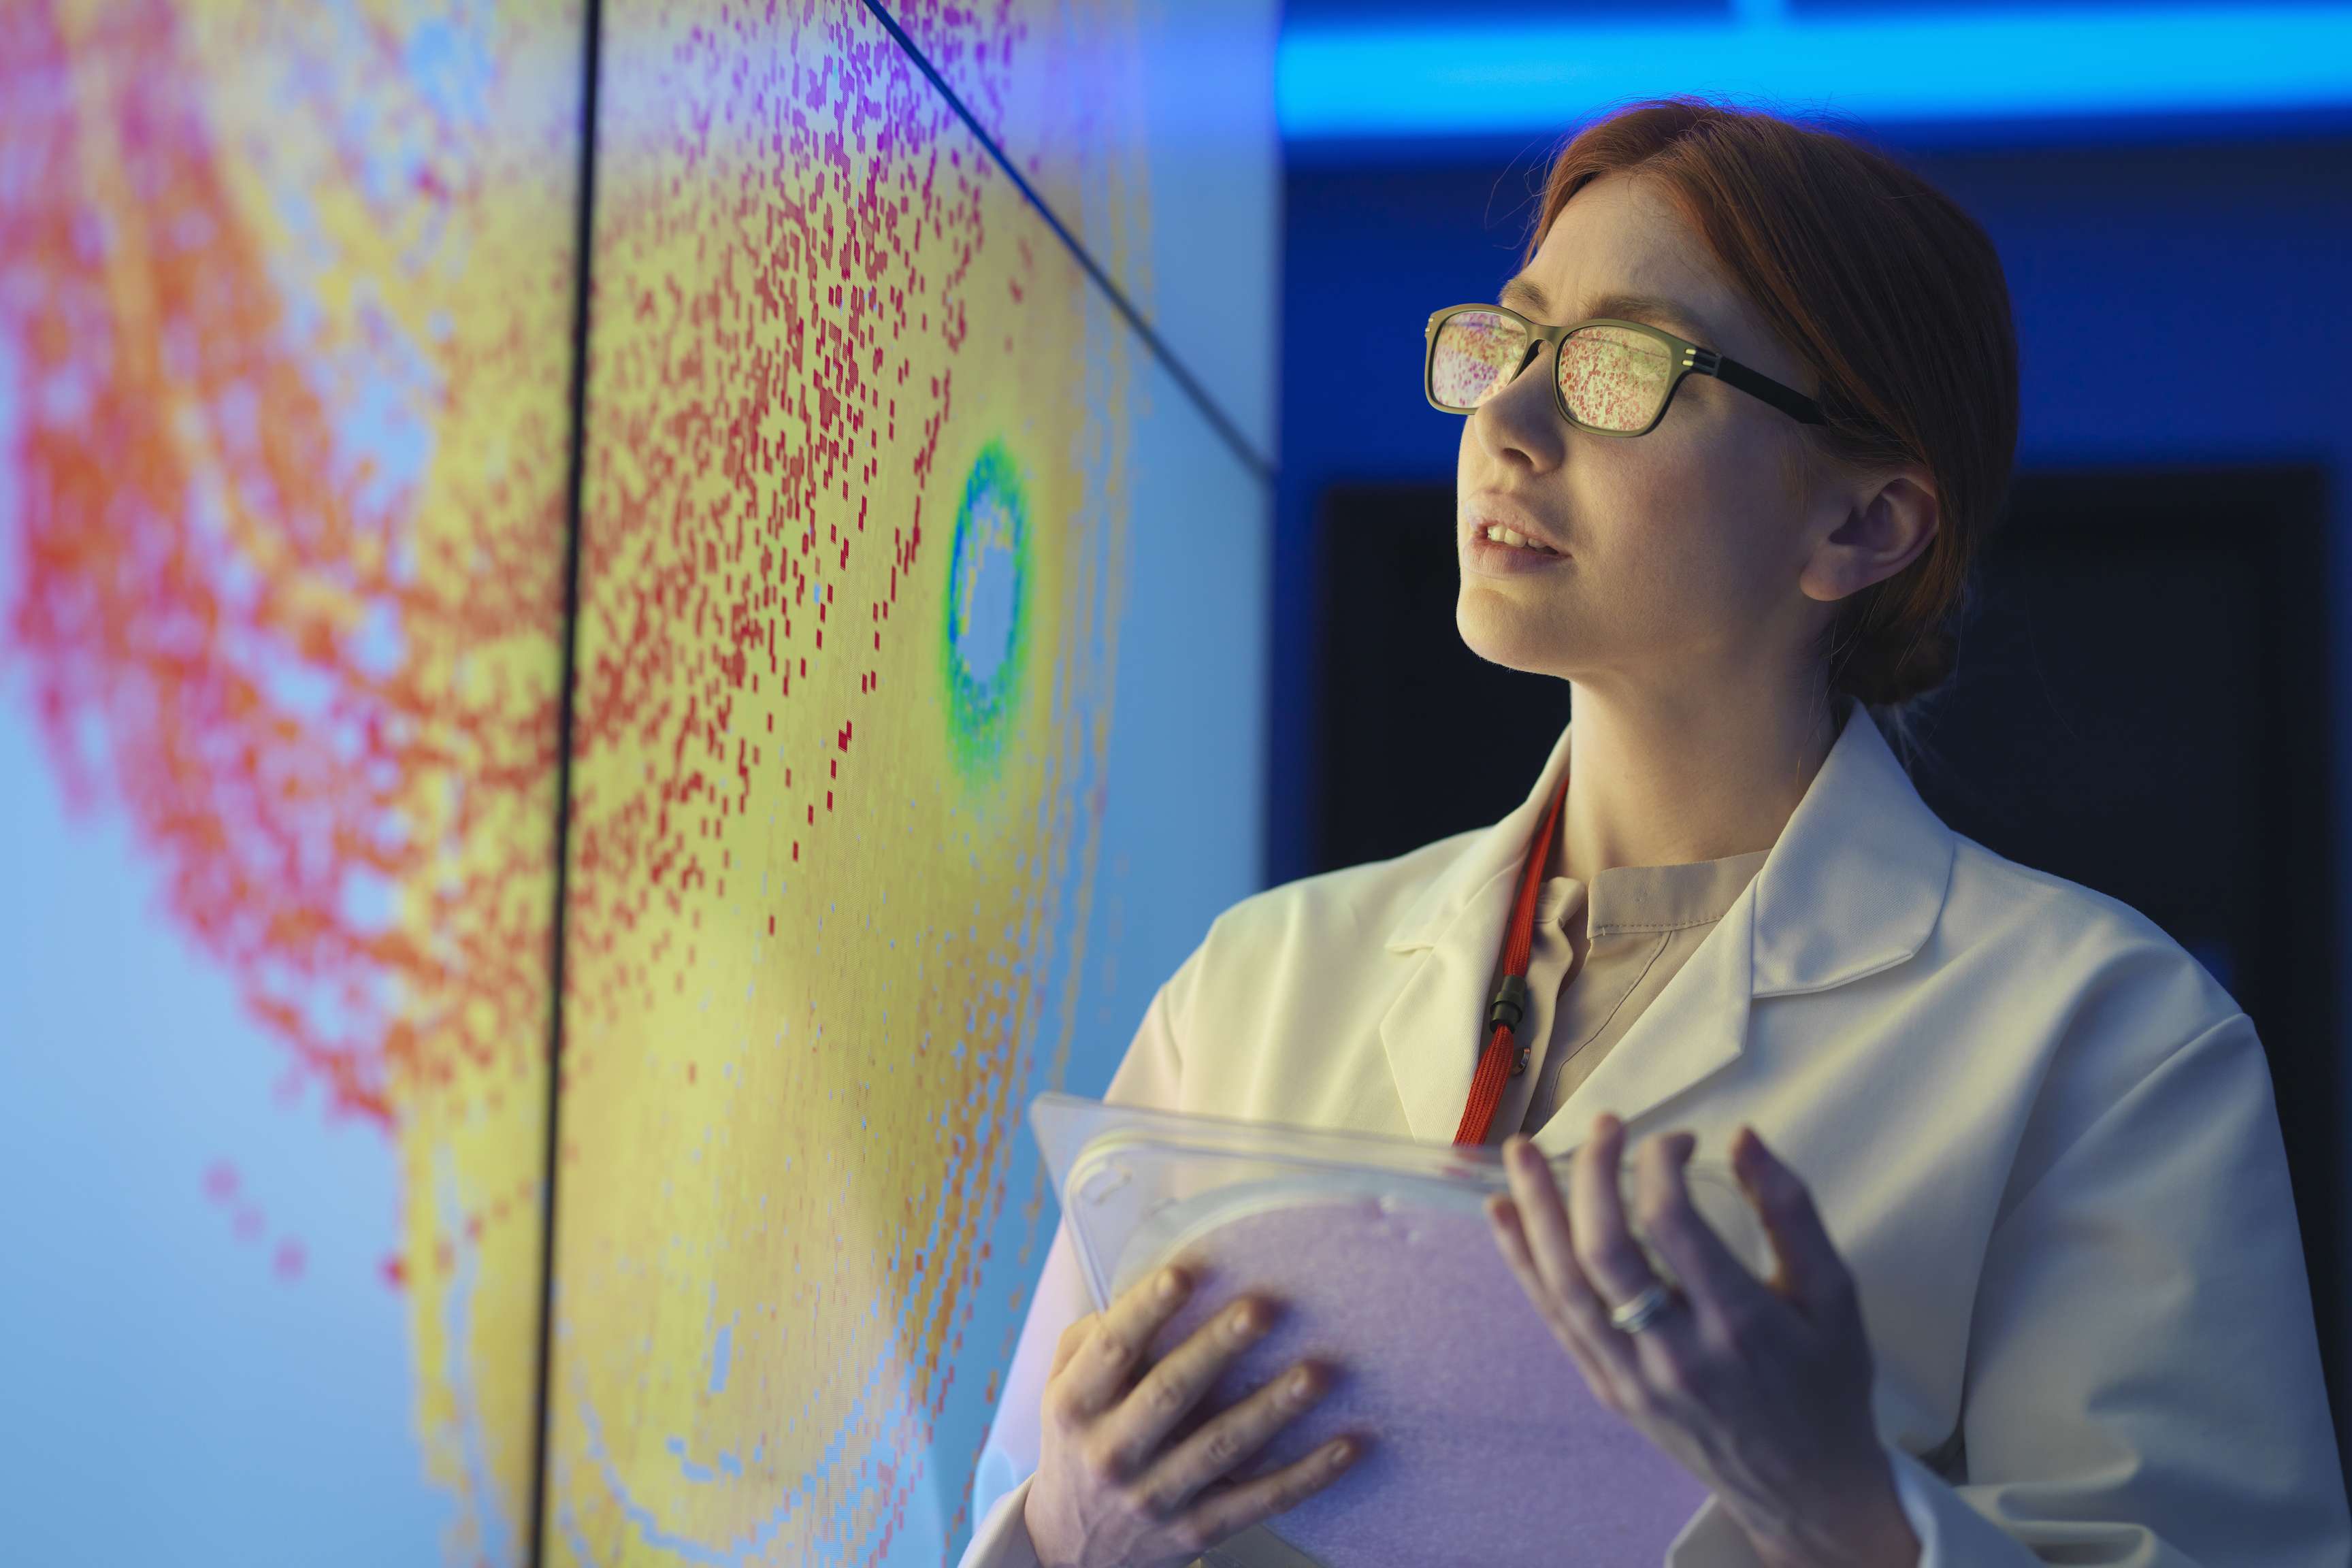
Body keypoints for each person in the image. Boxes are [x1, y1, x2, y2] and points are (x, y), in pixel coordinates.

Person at [956, 95, 2352, 1567]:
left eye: (1622, 367)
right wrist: (1065, 1534)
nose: (1503, 423)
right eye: (1511, 341)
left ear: (1863, 529)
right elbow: (1009, 1507)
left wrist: (1846, 1509)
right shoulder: (1258, 983)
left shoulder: (2105, 1038)